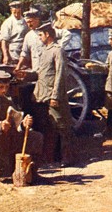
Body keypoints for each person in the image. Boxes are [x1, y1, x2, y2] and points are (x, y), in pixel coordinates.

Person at [15, 22, 74, 166]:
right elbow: (41, 73)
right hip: (42, 96)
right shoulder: (45, 51)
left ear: (48, 34)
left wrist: (56, 96)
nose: (39, 37)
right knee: (50, 127)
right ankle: (52, 157)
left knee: (62, 127)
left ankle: (66, 158)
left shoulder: (57, 50)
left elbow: (60, 74)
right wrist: (26, 75)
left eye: (41, 34)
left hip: (52, 96)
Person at [0, 70, 43, 183]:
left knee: (36, 137)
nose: (4, 90)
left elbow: (16, 122)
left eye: (6, 87)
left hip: (7, 143)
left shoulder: (7, 101)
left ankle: (31, 172)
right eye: (0, 87)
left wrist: (24, 124)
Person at [0, 1, 29, 65]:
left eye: (18, 12)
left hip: (25, 51)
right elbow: (4, 41)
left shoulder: (25, 21)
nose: (16, 14)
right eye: (14, 12)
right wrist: (5, 55)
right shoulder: (8, 22)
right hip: (13, 52)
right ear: (11, 10)